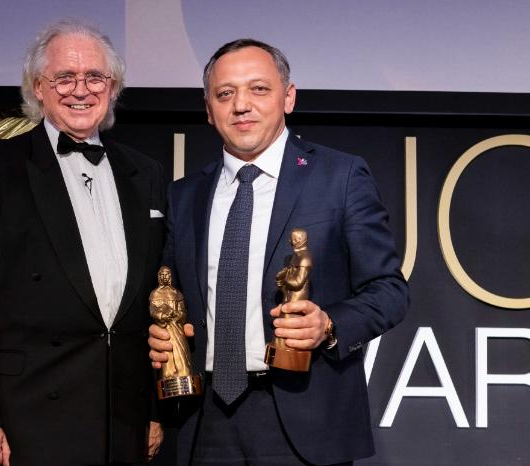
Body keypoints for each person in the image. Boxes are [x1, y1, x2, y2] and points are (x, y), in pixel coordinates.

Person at [148, 39, 409, 465]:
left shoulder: (340, 176)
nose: (241, 105)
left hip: (305, 419)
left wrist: (329, 324)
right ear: (208, 109)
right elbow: (170, 296)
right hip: (203, 422)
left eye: (259, 89)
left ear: (288, 97)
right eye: (225, 93)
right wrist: (163, 334)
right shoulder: (185, 195)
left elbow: (389, 290)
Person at [0, 20, 165, 466]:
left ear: (112, 87)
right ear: (38, 88)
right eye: (64, 77)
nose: (80, 90)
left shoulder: (146, 173)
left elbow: (154, 305)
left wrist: (154, 410)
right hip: (28, 417)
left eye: (95, 77)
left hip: (124, 418)